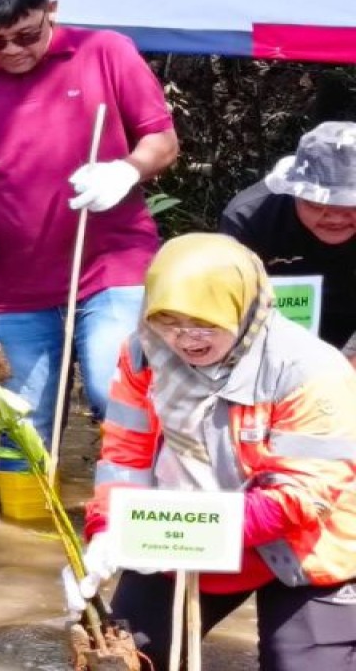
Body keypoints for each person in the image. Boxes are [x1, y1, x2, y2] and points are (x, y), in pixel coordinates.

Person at [0, 0, 179, 503]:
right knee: (19, 426)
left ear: (51, 11)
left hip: (111, 263)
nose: (13, 51)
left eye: (26, 35)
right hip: (12, 281)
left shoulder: (105, 51)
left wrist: (126, 169)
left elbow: (162, 142)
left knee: (122, 397)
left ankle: (143, 531)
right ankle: (26, 549)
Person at [64, 233, 356, 671]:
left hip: (302, 543)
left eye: (205, 321)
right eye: (169, 320)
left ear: (243, 308)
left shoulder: (310, 369)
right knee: (122, 655)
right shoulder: (144, 352)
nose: (186, 338)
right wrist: (109, 529)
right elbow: (126, 455)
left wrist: (187, 532)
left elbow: (303, 495)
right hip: (182, 525)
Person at [220, 121, 356, 366]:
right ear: (293, 192)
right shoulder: (250, 218)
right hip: (273, 336)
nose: (336, 217)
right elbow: (231, 305)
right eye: (317, 204)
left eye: (351, 207)